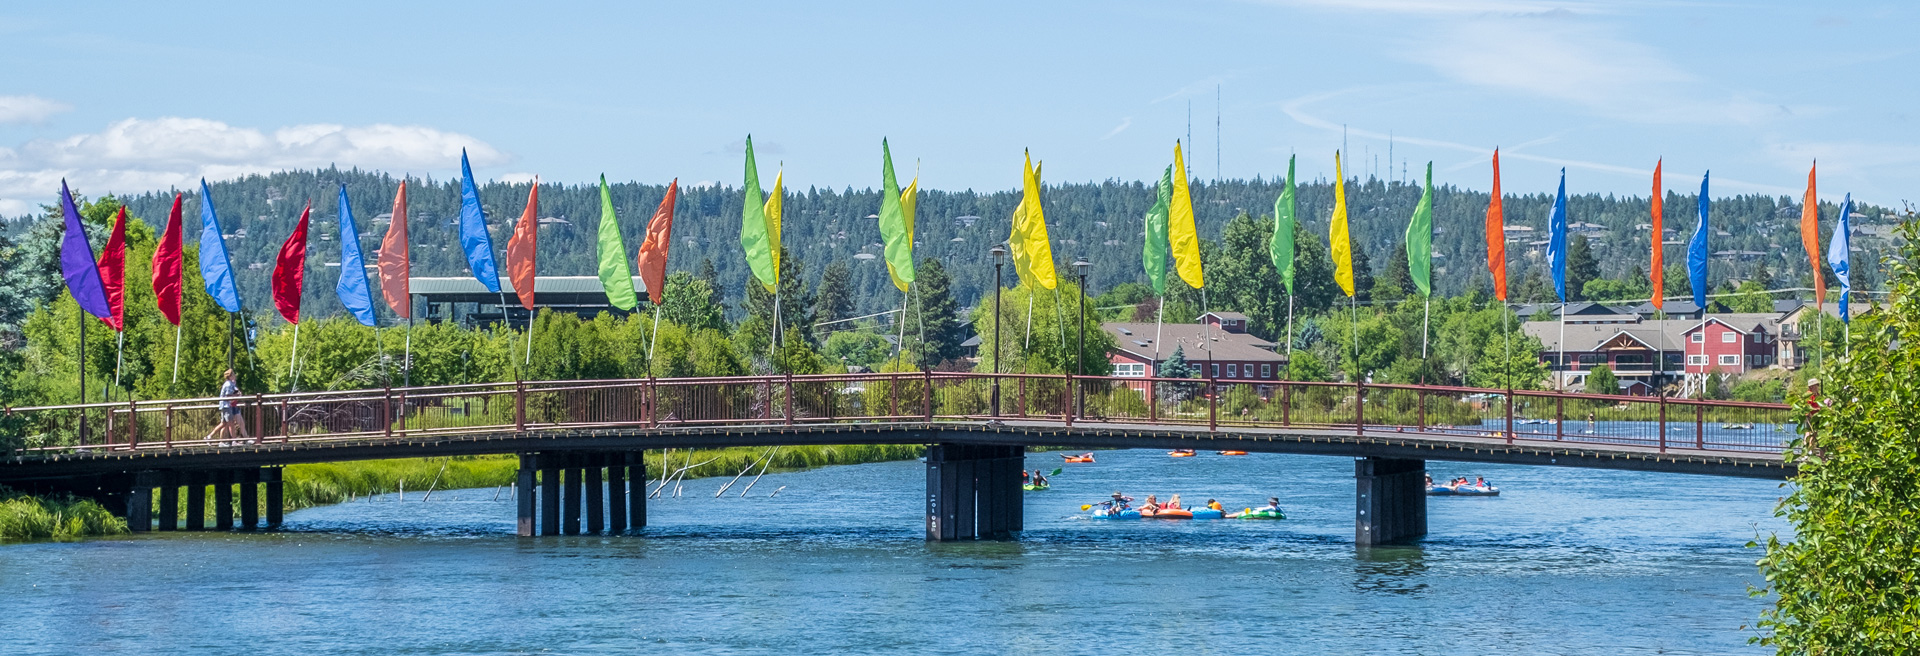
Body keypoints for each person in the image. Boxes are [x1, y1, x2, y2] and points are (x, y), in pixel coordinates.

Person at [205, 369, 251, 445]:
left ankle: (209, 437)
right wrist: (236, 395)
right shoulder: (228, 384)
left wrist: (237, 394)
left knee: (223, 424)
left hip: (225, 405)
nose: (235, 375)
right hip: (226, 406)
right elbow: (227, 395)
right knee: (231, 423)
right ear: (230, 376)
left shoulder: (231, 383)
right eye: (233, 374)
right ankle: (234, 441)